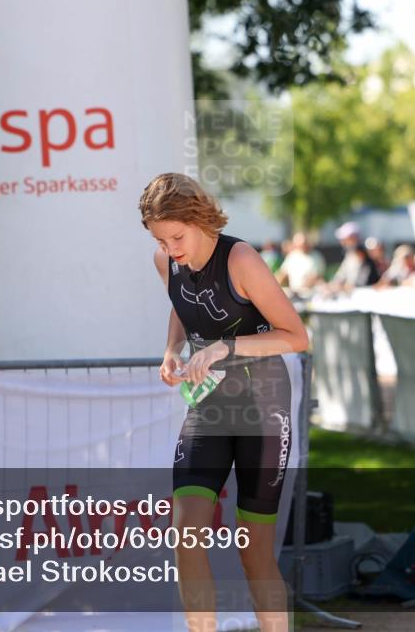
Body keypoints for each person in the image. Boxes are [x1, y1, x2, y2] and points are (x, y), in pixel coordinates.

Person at [139, 173, 308, 632]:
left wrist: (224, 348)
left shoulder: (241, 258)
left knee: (254, 552)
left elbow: (296, 336)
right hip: (209, 406)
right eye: (160, 240)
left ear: (199, 219)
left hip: (263, 407)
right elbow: (180, 304)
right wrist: (172, 349)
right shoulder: (166, 260)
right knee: (185, 532)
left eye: (177, 237)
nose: (170, 249)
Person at [328, 221, 379, 293]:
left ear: (354, 238)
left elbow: (360, 282)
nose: (342, 242)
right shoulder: (350, 254)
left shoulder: (361, 255)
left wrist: (345, 286)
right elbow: (340, 276)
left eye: (345, 239)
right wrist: (333, 285)